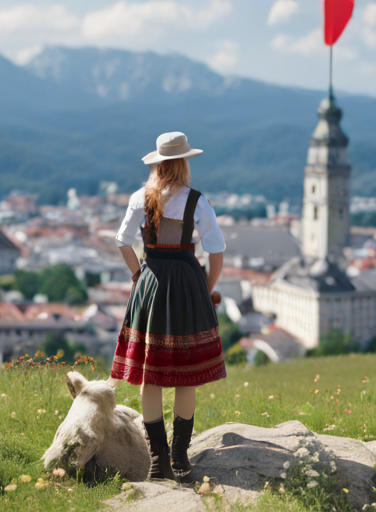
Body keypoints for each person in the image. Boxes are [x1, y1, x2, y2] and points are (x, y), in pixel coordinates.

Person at [111, 131, 227, 480]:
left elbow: (122, 242)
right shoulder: (197, 201)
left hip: (151, 281)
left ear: (157, 163)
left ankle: (158, 460)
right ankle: (180, 458)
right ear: (184, 163)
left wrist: (138, 275)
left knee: (152, 370)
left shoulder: (139, 198)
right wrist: (205, 289)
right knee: (186, 373)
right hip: (188, 284)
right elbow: (216, 250)